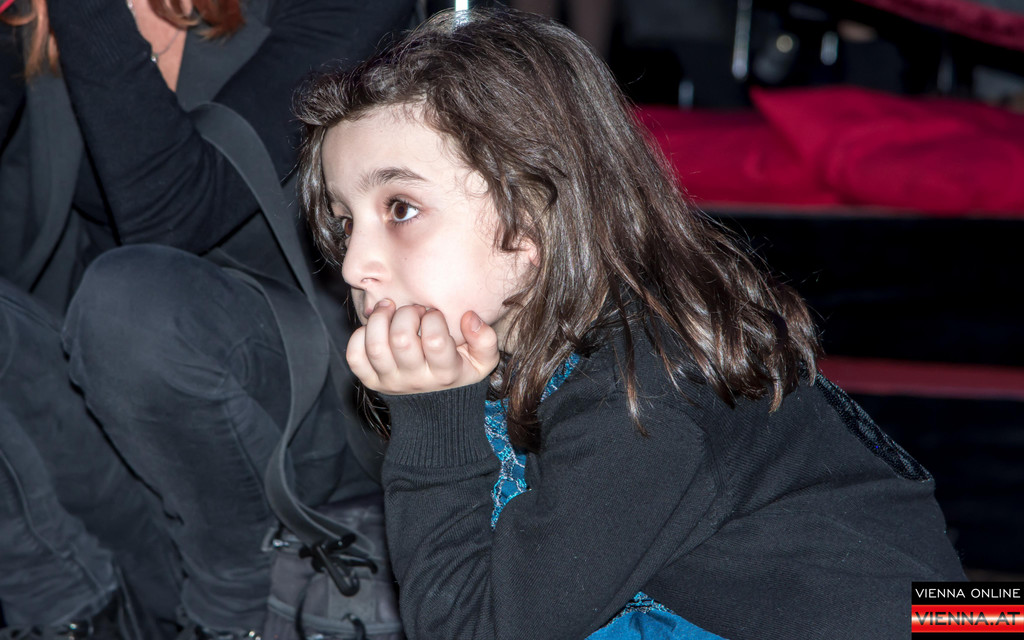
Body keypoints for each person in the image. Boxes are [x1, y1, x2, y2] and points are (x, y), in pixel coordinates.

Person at [293, 8, 966, 640]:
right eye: (346, 223)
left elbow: (477, 628)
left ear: (534, 213)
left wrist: (433, 420)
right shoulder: (569, 344)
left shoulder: (644, 394)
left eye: (401, 209)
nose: (354, 265)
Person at [0, 0, 413, 638]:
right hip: (107, 405)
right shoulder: (30, 23)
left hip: (309, 398)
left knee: (133, 309)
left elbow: (172, 215)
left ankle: (235, 617)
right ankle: (77, 613)